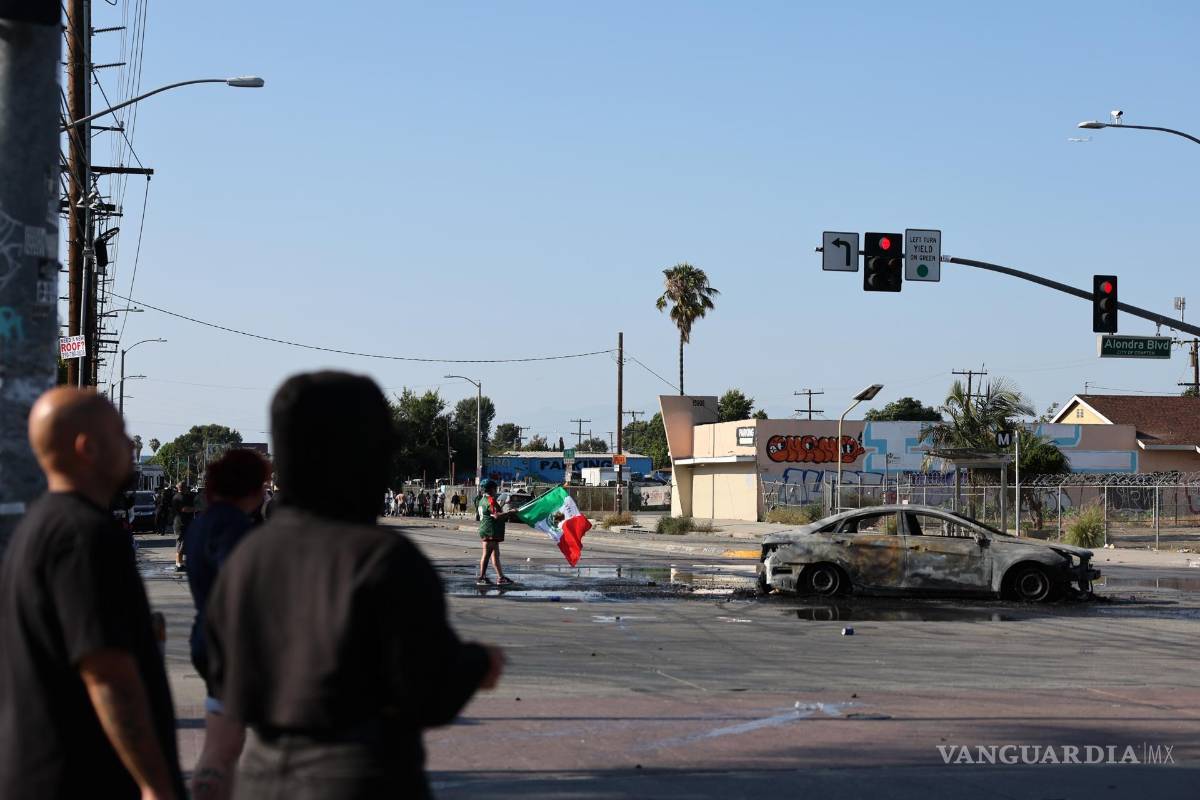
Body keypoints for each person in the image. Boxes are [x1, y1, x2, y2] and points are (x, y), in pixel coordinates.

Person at [205, 371, 504, 799]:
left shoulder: (247, 557)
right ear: (362, 457)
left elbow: (223, 678)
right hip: (360, 778)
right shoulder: (382, 559)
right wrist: (477, 664)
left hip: (262, 778)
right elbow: (428, 690)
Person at [0, 388, 185, 799]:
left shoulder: (39, 527)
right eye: (121, 434)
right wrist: (155, 784)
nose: (132, 446)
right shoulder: (85, 537)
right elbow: (107, 674)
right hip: (83, 778)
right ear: (88, 448)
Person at [184, 449, 273, 800]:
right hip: (234, 649)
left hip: (207, 642)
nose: (267, 493)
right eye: (264, 486)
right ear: (250, 487)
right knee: (229, 748)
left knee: (222, 744)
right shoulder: (232, 526)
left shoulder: (203, 523)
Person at [476, 479, 518, 586]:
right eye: (495, 488)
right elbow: (496, 515)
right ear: (491, 489)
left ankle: (500, 577)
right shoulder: (490, 500)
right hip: (490, 531)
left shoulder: (482, 500)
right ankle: (482, 577)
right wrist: (510, 512)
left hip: (488, 529)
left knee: (495, 555)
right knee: (487, 554)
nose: (496, 490)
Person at [171, 481, 196, 572]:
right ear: (183, 487)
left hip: (180, 523)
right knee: (181, 543)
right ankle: (178, 564)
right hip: (181, 523)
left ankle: (180, 564)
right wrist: (195, 509)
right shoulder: (180, 497)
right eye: (186, 487)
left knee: (182, 543)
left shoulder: (177, 496)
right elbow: (184, 509)